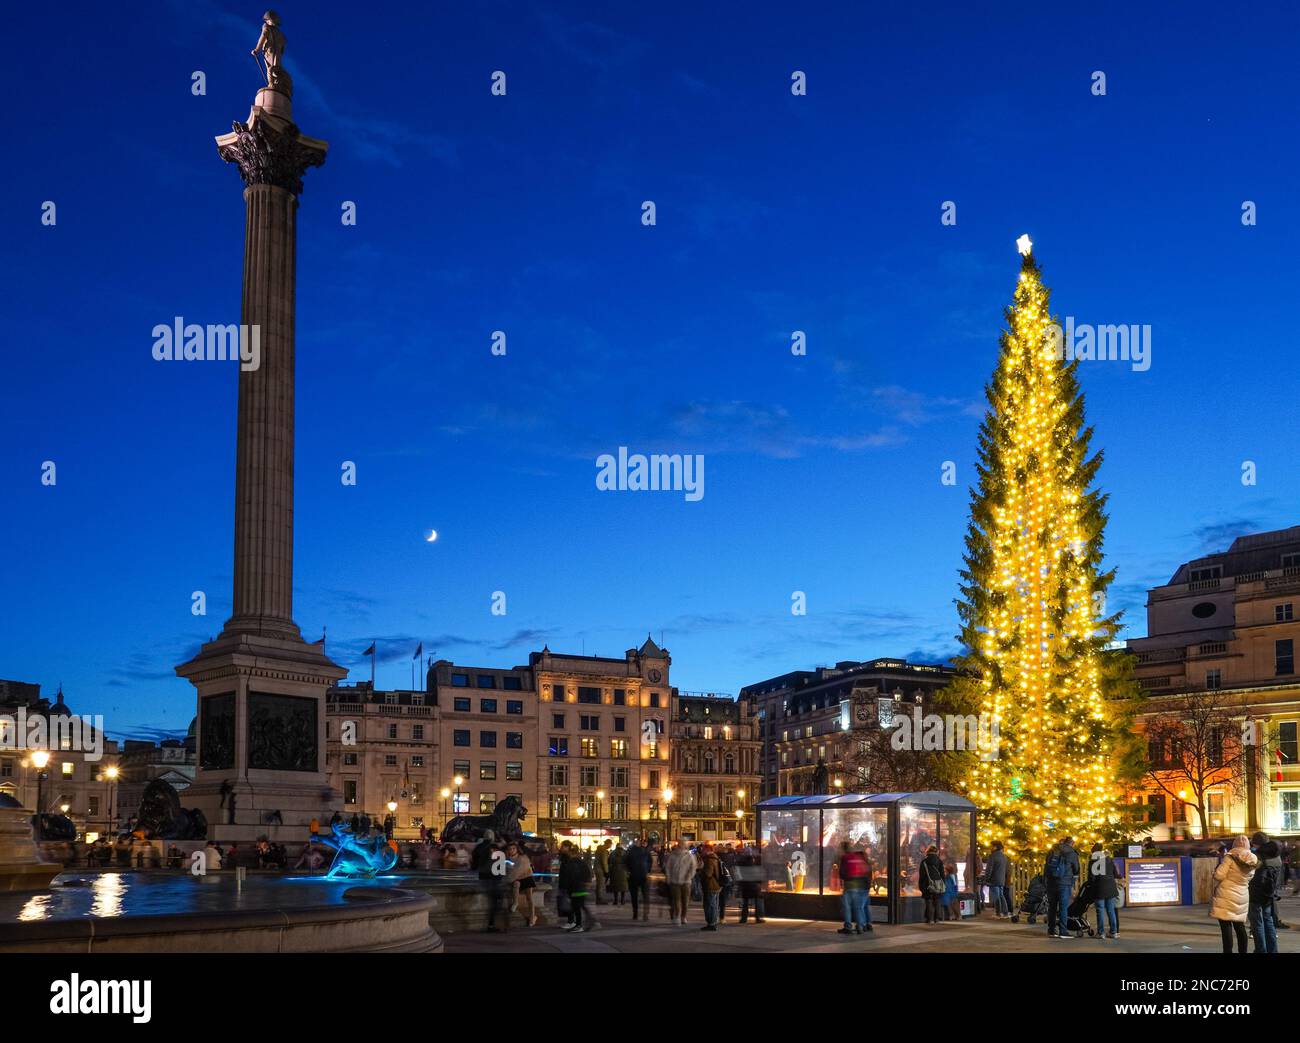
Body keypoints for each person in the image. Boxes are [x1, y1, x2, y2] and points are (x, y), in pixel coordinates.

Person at [1211, 835, 1257, 953]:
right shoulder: (1253, 859)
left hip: (1226, 895)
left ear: (1234, 845)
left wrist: (1214, 872)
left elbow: (1219, 875)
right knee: (1240, 927)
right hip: (1242, 894)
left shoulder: (1229, 858)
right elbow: (1250, 877)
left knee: (1226, 927)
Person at [1043, 836, 1080, 939]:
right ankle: (1063, 931)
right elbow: (1076, 868)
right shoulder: (1072, 853)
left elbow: (1046, 865)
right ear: (1072, 843)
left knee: (1052, 907)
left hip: (1051, 882)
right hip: (1064, 883)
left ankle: (1051, 930)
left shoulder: (1052, 850)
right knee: (1063, 907)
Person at [1248, 840, 1281, 954]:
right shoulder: (1277, 859)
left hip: (1256, 895)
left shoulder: (1262, 859)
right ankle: (1272, 950)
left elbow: (1258, 878)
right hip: (1269, 895)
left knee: (1257, 924)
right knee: (1268, 921)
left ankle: (1260, 950)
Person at [1251, 831, 1288, 930]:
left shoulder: (1260, 855)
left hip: (1259, 890)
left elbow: (1254, 872)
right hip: (1272, 886)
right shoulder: (1275, 854)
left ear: (1257, 843)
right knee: (1268, 919)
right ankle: (1273, 928)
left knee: (1258, 920)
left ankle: (1258, 938)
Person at [836, 843, 873, 935]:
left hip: (850, 886)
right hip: (863, 886)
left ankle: (848, 926)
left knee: (847, 907)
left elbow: (842, 872)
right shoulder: (861, 859)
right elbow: (868, 872)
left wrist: (844, 879)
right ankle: (863, 925)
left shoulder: (846, 857)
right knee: (860, 907)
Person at [1086, 842, 1121, 939]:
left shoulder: (1093, 861)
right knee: (1111, 910)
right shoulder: (1109, 859)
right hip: (1110, 888)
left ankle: (1101, 933)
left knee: (1100, 910)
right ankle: (1113, 932)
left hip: (1099, 888)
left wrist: (1090, 886)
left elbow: (1091, 878)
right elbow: (1115, 874)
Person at [558, 843, 594, 931]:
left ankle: (580, 925)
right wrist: (587, 882)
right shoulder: (581, 862)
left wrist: (567, 887)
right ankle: (584, 923)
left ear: (571, 853)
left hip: (576, 888)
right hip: (581, 887)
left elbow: (570, 876)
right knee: (580, 906)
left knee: (577, 907)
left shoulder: (572, 863)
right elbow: (588, 873)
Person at [505, 841, 538, 928]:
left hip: (526, 877)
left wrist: (508, 879)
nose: (512, 850)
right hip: (517, 879)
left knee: (529, 898)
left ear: (517, 849)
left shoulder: (522, 858)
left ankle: (532, 917)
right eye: (510, 849)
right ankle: (515, 902)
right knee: (516, 884)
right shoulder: (507, 859)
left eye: (513, 849)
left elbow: (518, 870)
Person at [665, 840, 698, 926]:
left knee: (685, 901)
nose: (681, 846)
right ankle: (678, 917)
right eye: (680, 844)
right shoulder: (672, 855)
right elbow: (668, 867)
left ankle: (683, 916)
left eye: (682, 844)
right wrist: (669, 877)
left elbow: (693, 867)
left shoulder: (690, 855)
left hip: (686, 881)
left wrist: (689, 876)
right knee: (677, 900)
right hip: (675, 881)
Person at [735, 849, 767, 923]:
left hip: (745, 885)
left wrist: (739, 884)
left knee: (745, 903)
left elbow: (738, 874)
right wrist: (760, 882)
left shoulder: (741, 863)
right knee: (757, 902)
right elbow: (758, 874)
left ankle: (744, 918)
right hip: (754, 885)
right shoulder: (754, 863)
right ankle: (757, 917)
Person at [626, 838, 653, 921]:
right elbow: (650, 861)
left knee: (634, 896)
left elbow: (626, 862)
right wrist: (647, 870)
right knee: (645, 896)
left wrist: (629, 871)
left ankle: (635, 914)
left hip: (633, 876)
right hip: (643, 876)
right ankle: (645, 914)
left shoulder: (630, 852)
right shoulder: (645, 851)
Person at [699, 843, 723, 931]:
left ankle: (711, 924)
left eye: (703, 849)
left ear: (708, 850)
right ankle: (713, 922)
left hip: (711, 885)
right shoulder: (716, 857)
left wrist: (700, 870)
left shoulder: (709, 859)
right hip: (716, 885)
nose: (702, 851)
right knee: (714, 905)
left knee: (710, 905)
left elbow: (708, 873)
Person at [984, 839, 1010, 918]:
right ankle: (1005, 913)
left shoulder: (992, 856)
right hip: (1001, 879)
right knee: (1001, 895)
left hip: (994, 879)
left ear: (995, 847)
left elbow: (989, 869)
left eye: (991, 846)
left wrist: (986, 879)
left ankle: (998, 913)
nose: (990, 847)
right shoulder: (1004, 856)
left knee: (997, 897)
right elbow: (1006, 869)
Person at [919, 845, 945, 924]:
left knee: (929, 901)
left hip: (927, 884)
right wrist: (942, 884)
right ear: (936, 852)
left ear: (928, 851)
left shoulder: (924, 861)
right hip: (937, 884)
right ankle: (937, 918)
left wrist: (921, 886)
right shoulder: (939, 861)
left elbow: (922, 875)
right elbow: (942, 874)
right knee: (937, 901)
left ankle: (929, 919)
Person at [594, 839, 611, 905]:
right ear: (608, 843)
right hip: (600, 869)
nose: (610, 846)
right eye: (610, 844)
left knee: (598, 885)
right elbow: (604, 862)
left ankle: (598, 898)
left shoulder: (599, 849)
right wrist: (606, 871)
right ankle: (600, 899)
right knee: (601, 885)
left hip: (597, 869)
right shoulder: (604, 850)